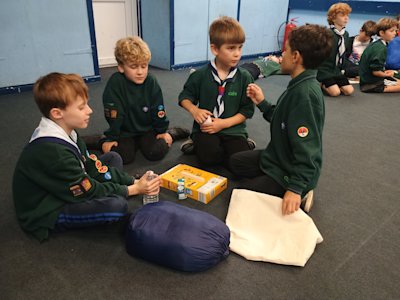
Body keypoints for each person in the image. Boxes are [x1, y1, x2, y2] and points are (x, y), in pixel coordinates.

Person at [12, 73, 161, 242]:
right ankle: (114, 193)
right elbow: (86, 190)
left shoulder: (68, 132)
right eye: (81, 107)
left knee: (113, 158)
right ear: (57, 113)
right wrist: (133, 190)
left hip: (68, 183)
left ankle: (114, 190)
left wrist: (132, 181)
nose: (90, 110)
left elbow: (91, 166)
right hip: (46, 209)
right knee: (117, 207)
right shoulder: (55, 153)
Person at [230, 24, 333, 215]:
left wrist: (295, 188)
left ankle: (303, 191)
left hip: (290, 169)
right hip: (278, 157)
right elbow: (283, 120)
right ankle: (273, 178)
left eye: (285, 50)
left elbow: (309, 148)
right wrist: (262, 102)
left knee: (240, 194)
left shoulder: (305, 95)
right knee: (236, 162)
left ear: (295, 57)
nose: (281, 55)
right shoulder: (298, 85)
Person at [178, 16, 255, 169]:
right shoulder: (200, 75)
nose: (237, 54)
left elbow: (246, 111)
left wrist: (223, 124)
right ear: (215, 49)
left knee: (239, 163)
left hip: (233, 130)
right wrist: (194, 110)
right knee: (209, 160)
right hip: (206, 130)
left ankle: (243, 143)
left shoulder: (245, 77)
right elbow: (184, 98)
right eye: (231, 48)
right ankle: (196, 141)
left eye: (240, 47)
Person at [101, 36, 189, 164]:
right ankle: (99, 139)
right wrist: (111, 138)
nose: (140, 72)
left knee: (155, 152)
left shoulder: (151, 81)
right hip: (125, 131)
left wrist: (162, 131)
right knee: (123, 156)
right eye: (134, 67)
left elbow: (158, 108)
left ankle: (172, 133)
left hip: (148, 129)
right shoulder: (115, 83)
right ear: (121, 67)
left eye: (144, 66)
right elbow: (114, 114)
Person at [317, 2, 354, 97]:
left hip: (336, 70)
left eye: (347, 15)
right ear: (333, 18)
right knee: (335, 93)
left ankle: (333, 83)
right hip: (325, 70)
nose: (346, 18)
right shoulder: (327, 34)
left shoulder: (345, 35)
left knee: (349, 91)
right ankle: (320, 83)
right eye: (342, 15)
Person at [359, 17, 400, 93]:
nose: (395, 33)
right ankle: (380, 88)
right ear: (381, 33)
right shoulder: (381, 48)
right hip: (370, 84)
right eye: (391, 31)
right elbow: (376, 72)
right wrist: (387, 75)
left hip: (366, 80)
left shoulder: (377, 44)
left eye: (395, 31)